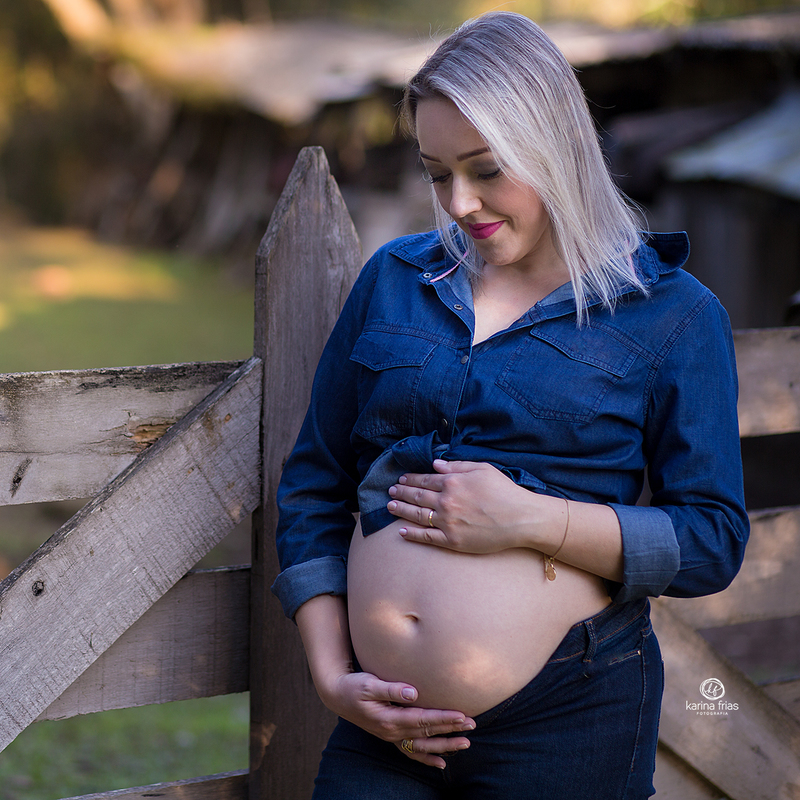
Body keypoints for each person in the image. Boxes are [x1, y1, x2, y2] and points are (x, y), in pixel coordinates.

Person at [271, 11, 749, 799]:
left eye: (487, 168)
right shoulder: (394, 280)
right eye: (436, 172)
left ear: (555, 145)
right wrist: (331, 675)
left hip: (566, 725)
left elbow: (713, 540)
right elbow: (315, 484)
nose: (459, 201)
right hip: (381, 726)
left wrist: (530, 520)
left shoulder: (674, 316)